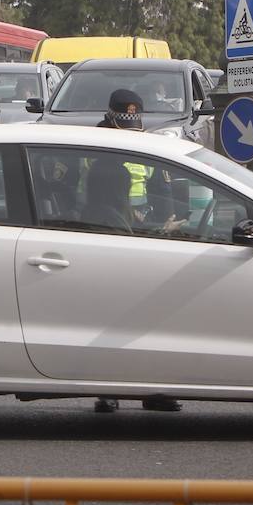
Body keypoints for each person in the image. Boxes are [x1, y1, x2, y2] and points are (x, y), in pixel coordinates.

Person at [92, 87, 182, 416]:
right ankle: (108, 391)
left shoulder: (142, 140)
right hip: (108, 235)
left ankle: (154, 390)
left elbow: (162, 187)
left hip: (146, 236)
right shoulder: (95, 146)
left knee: (153, 320)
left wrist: (166, 218)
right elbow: (90, 196)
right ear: (112, 116)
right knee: (111, 320)